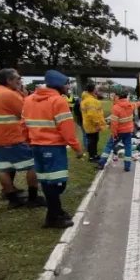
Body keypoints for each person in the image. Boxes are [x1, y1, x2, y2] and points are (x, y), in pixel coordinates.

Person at [22, 70, 83, 228]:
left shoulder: (28, 100)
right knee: (57, 183)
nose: (68, 87)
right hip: (53, 148)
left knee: (46, 181)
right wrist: (77, 148)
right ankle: (53, 217)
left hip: (37, 147)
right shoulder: (58, 101)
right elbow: (67, 129)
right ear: (59, 84)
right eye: (66, 84)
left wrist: (29, 141)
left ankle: (57, 212)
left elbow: (23, 125)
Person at [0, 69, 46, 208]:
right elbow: (26, 112)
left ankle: (12, 199)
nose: (20, 81)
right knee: (34, 163)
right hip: (12, 137)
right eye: (18, 78)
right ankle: (33, 197)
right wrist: (24, 96)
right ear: (9, 80)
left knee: (4, 168)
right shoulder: (10, 95)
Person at [98, 89, 134, 172]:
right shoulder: (131, 105)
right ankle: (127, 166)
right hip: (128, 131)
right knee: (128, 147)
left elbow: (114, 123)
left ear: (118, 96)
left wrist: (114, 134)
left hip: (119, 131)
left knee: (108, 146)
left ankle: (101, 163)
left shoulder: (116, 107)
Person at [80, 83, 107, 162]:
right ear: (93, 90)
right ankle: (91, 157)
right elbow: (92, 114)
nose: (97, 90)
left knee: (95, 140)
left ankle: (94, 155)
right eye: (96, 89)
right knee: (92, 141)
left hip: (90, 124)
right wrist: (97, 124)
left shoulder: (89, 99)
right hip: (92, 124)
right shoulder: (90, 100)